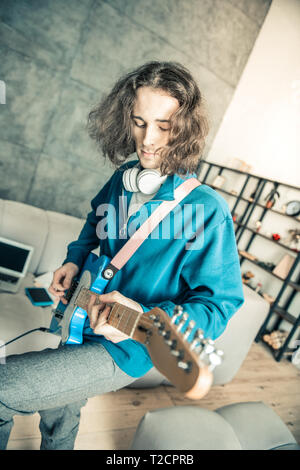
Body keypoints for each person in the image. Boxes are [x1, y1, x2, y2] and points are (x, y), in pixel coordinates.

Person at [0, 61, 244, 450]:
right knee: (59, 409)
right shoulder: (124, 177)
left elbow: (219, 304)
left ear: (184, 130)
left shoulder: (207, 211)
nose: (147, 140)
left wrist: (142, 318)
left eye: (164, 126)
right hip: (82, 316)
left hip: (124, 345)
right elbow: (94, 222)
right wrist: (73, 260)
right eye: (139, 121)